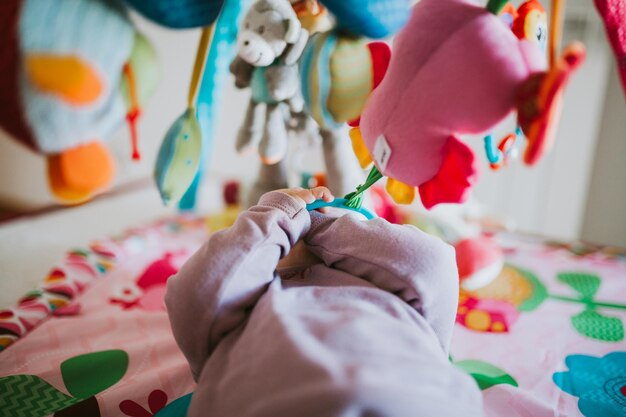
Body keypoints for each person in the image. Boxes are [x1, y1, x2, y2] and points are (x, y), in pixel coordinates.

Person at [165, 187, 484, 417]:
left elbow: (432, 261)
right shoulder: (245, 304)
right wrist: (297, 217)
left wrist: (297, 219)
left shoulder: (395, 292)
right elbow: (429, 263)